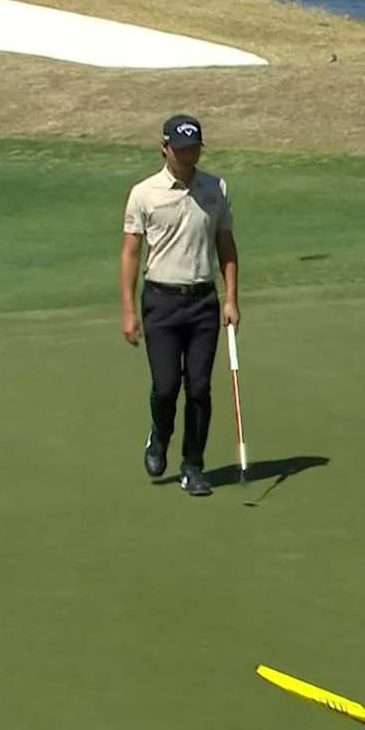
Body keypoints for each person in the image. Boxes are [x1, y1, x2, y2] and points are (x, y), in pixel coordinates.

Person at [120, 114, 240, 496]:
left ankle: (193, 466)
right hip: (161, 302)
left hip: (203, 300)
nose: (189, 157)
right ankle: (160, 435)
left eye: (194, 149)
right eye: (182, 150)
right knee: (167, 386)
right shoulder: (144, 193)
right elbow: (130, 254)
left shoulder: (215, 188)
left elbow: (225, 244)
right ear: (164, 148)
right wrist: (127, 311)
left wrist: (231, 298)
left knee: (201, 388)